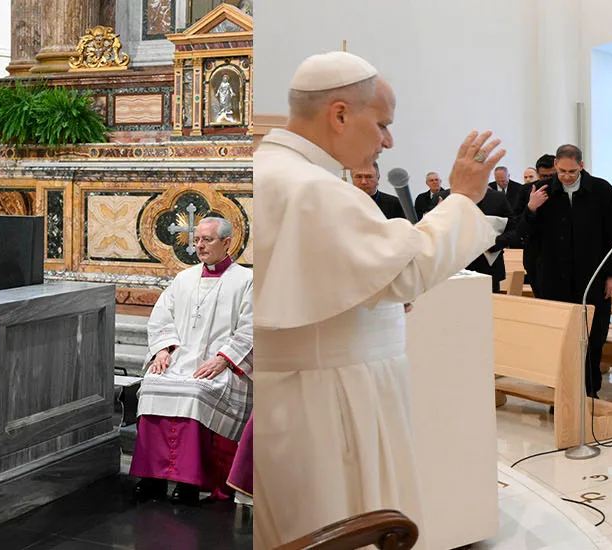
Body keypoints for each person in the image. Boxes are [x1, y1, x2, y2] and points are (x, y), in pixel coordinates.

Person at [253, 51, 506, 544]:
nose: (388, 141)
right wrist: (462, 197)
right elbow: (408, 271)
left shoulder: (273, 170)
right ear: (341, 114)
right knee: (354, 521)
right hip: (332, 402)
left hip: (294, 394)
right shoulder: (312, 188)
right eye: (383, 124)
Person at [133, 217, 252, 505]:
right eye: (197, 239)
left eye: (207, 239)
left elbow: (251, 327)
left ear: (227, 242)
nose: (199, 245)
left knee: (196, 392)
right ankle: (152, 477)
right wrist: (163, 350)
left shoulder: (246, 281)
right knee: (151, 384)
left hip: (219, 363)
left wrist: (224, 359)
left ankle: (188, 483)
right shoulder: (184, 278)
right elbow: (162, 316)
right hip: (180, 358)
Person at [524, 144, 612, 397]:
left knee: (593, 335)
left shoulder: (601, 190)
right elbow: (525, 234)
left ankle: (590, 391)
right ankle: (561, 391)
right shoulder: (541, 191)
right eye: (561, 171)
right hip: (554, 278)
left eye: (572, 171)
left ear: (581, 165)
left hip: (592, 276)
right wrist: (531, 209)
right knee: (559, 338)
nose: (567, 176)